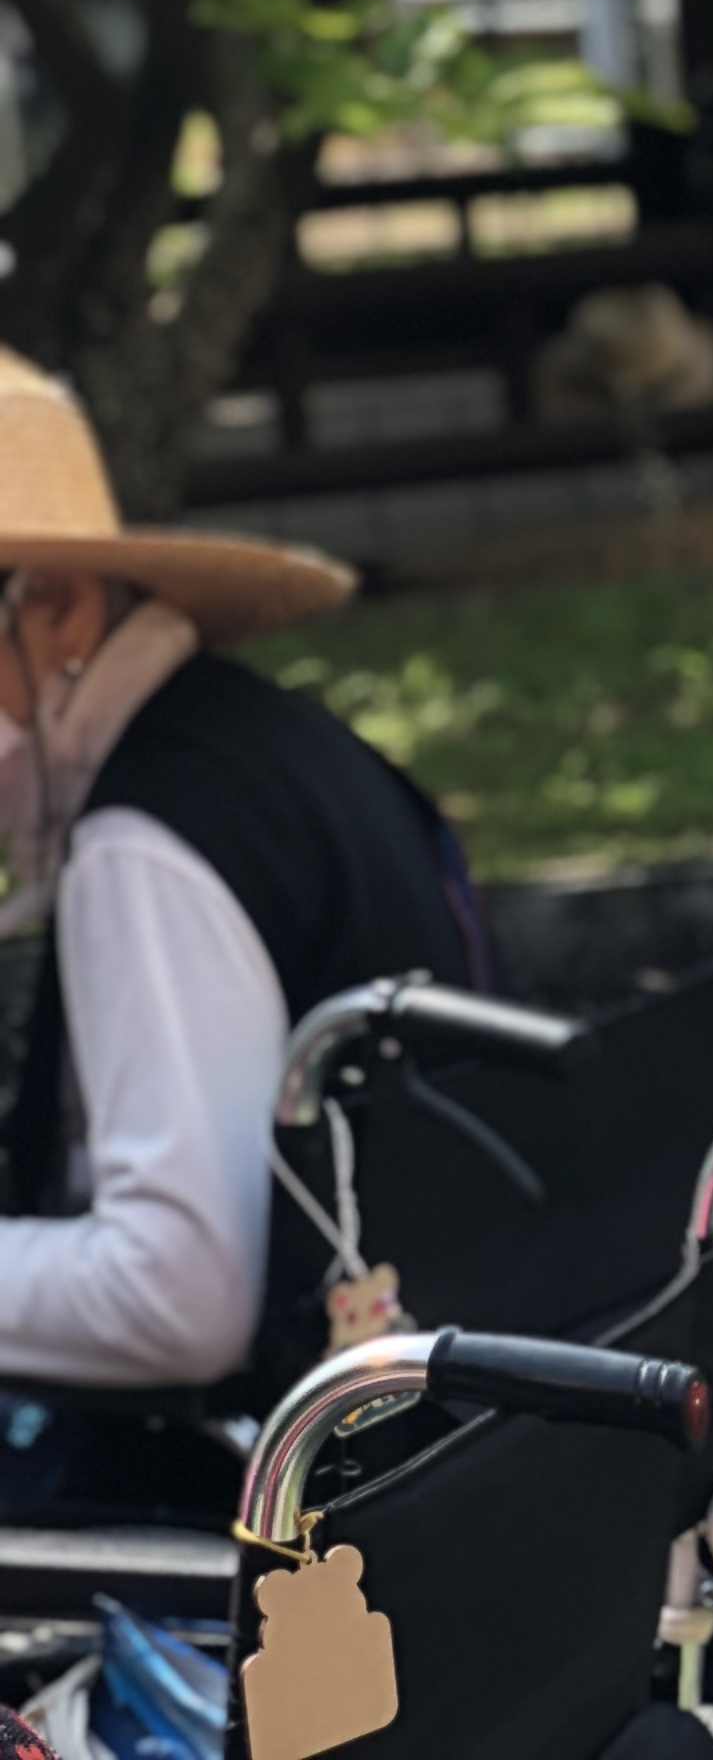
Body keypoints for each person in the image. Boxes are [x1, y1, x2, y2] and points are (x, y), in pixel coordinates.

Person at [0, 353, 483, 1477]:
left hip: (295, 1478)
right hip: (448, 1393)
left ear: (55, 604)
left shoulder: (141, 846)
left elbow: (179, 1295)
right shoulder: (262, 740)